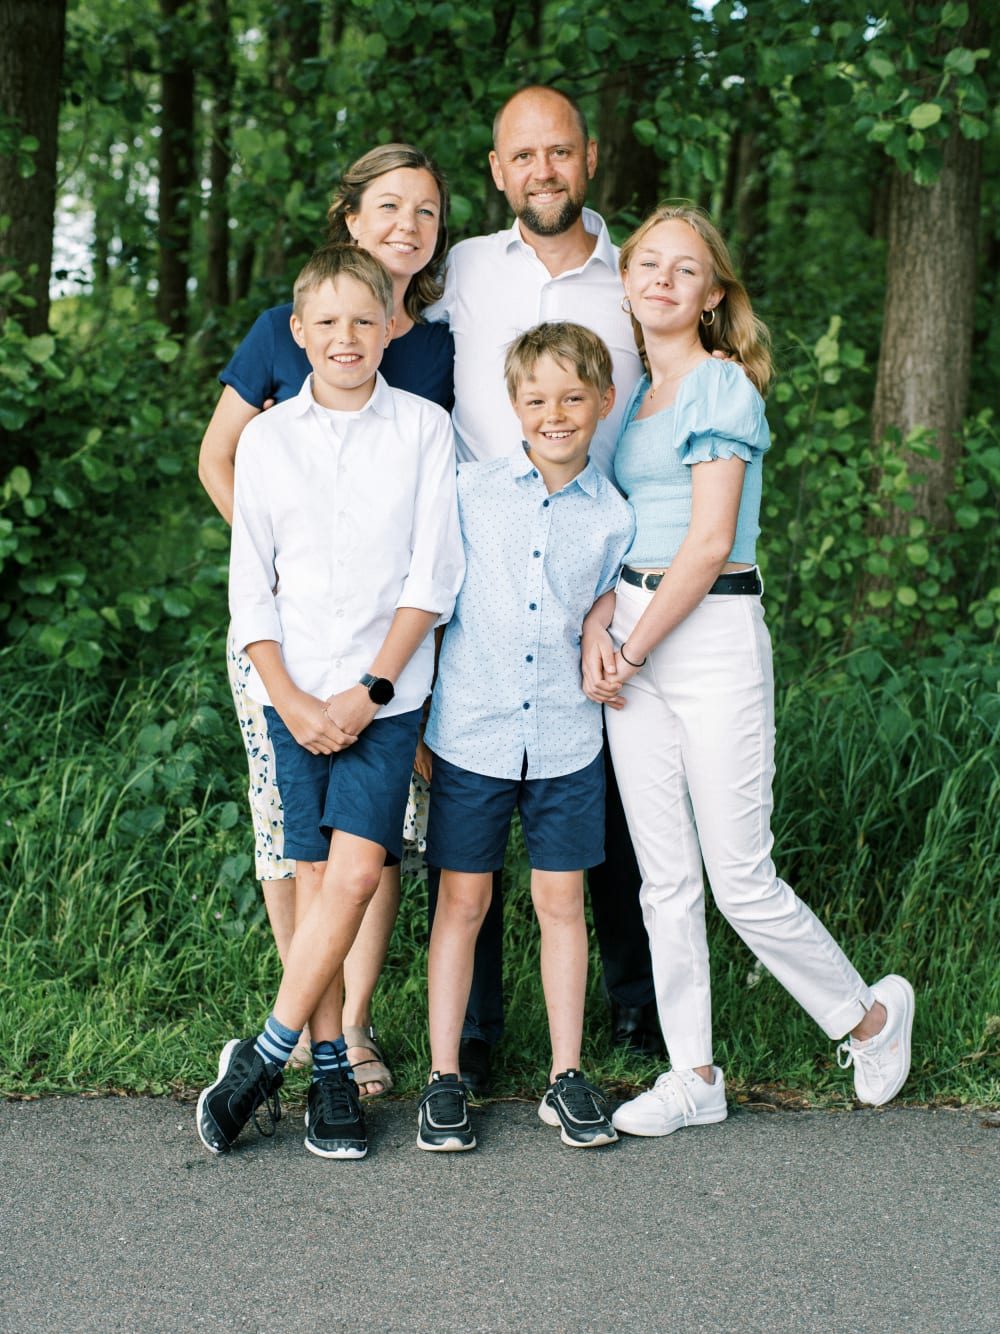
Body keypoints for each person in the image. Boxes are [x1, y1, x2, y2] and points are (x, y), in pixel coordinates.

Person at [581, 203, 915, 1138]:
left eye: (684, 270)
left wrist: (636, 647)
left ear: (714, 295)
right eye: (646, 263)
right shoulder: (626, 402)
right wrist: (600, 627)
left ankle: (870, 1016)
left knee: (739, 876)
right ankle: (695, 1074)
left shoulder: (721, 388)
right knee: (663, 880)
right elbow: (611, 535)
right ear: (625, 281)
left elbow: (712, 540)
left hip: (710, 632)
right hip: (629, 633)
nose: (660, 279)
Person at [196, 243, 464, 1161]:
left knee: (358, 872)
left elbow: (434, 578)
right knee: (312, 878)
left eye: (366, 320)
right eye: (328, 323)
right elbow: (252, 592)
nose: (347, 337)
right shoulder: (269, 442)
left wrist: (372, 688)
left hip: (385, 698)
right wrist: (290, 695)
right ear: (298, 333)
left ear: (391, 327)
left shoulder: (424, 428)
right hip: (293, 691)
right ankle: (331, 1075)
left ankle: (265, 1058)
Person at [426, 85, 660, 1091]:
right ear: (496, 169)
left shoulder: (632, 274)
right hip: (489, 552)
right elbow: (370, 323)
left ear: (589, 156)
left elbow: (692, 356)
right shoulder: (467, 268)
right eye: (522, 156)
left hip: (606, 548)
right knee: (472, 840)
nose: (542, 171)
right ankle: (473, 1040)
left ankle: (631, 1012)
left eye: (558, 151)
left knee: (599, 795)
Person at [416, 323, 635, 1152]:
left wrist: (604, 621)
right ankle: (444, 1076)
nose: (555, 414)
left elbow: (614, 601)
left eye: (573, 398)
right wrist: (417, 721)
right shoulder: (471, 493)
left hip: (566, 741)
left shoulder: (614, 515)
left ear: (603, 403)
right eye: (537, 399)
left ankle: (565, 1075)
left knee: (560, 905)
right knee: (462, 904)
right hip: (470, 732)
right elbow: (435, 605)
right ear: (512, 407)